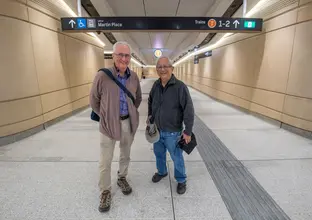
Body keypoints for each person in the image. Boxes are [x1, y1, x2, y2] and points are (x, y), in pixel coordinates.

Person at [90, 41, 142, 212]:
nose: (124, 58)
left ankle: (122, 177)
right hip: (108, 125)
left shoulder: (134, 77)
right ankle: (105, 191)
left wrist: (131, 113)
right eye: (120, 54)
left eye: (127, 55)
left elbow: (138, 99)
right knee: (105, 160)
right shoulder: (102, 76)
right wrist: (104, 116)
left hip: (128, 121)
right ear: (113, 56)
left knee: (125, 153)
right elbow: (93, 100)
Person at [147, 56, 194, 194]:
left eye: (165, 66)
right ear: (157, 69)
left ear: (172, 68)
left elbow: (189, 109)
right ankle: (162, 172)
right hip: (157, 131)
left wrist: (188, 131)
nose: (162, 69)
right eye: (159, 67)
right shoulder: (156, 85)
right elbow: (150, 101)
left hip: (173, 132)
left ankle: (181, 179)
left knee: (176, 157)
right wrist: (150, 117)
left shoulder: (180, 87)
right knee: (159, 154)